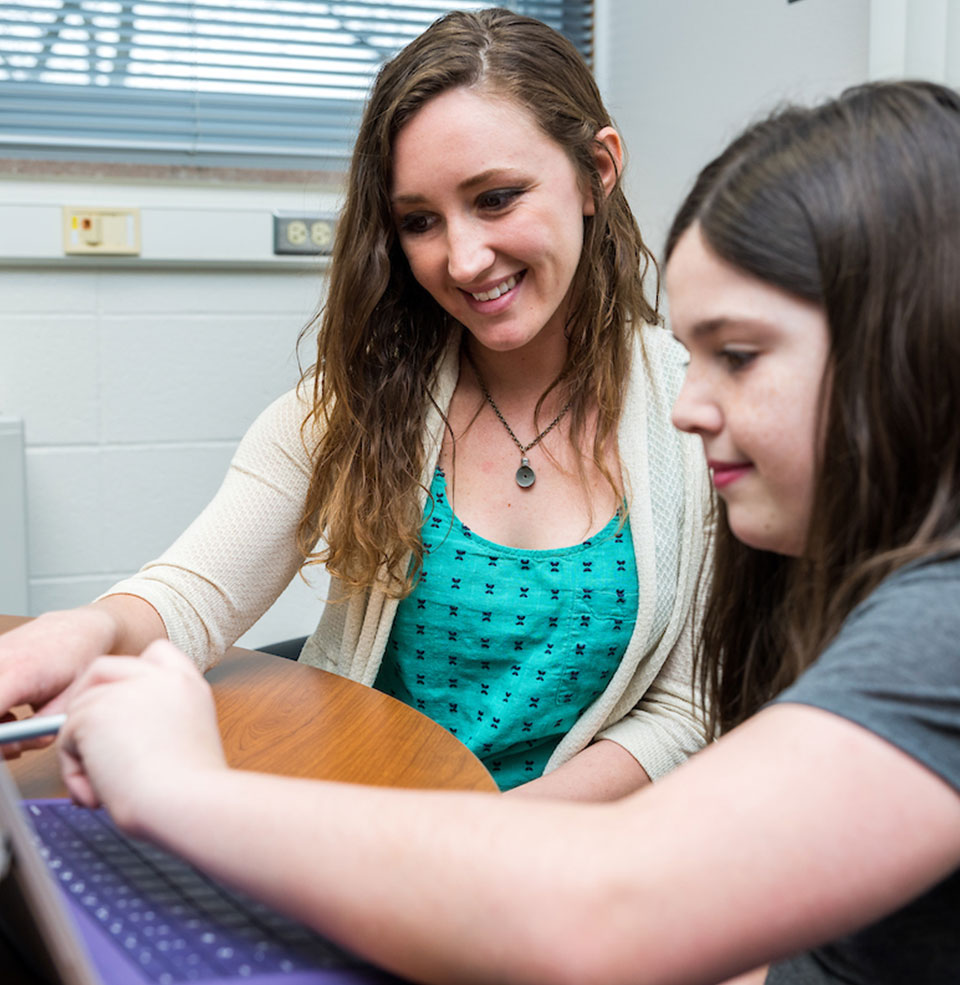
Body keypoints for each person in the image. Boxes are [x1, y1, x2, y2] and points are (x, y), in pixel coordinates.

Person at [56, 79, 960, 984]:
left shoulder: (933, 629)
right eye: (419, 220)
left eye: (737, 355)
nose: (690, 407)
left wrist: (175, 788)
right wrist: (88, 632)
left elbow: (607, 902)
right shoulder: (895, 598)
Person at [0, 8, 711, 797]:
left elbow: (685, 706)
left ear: (597, 170)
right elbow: (196, 592)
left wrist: (497, 835)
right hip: (358, 827)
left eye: (498, 198)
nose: (465, 259)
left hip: (563, 862)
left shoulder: (696, 414)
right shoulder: (358, 404)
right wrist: (85, 631)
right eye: (420, 221)